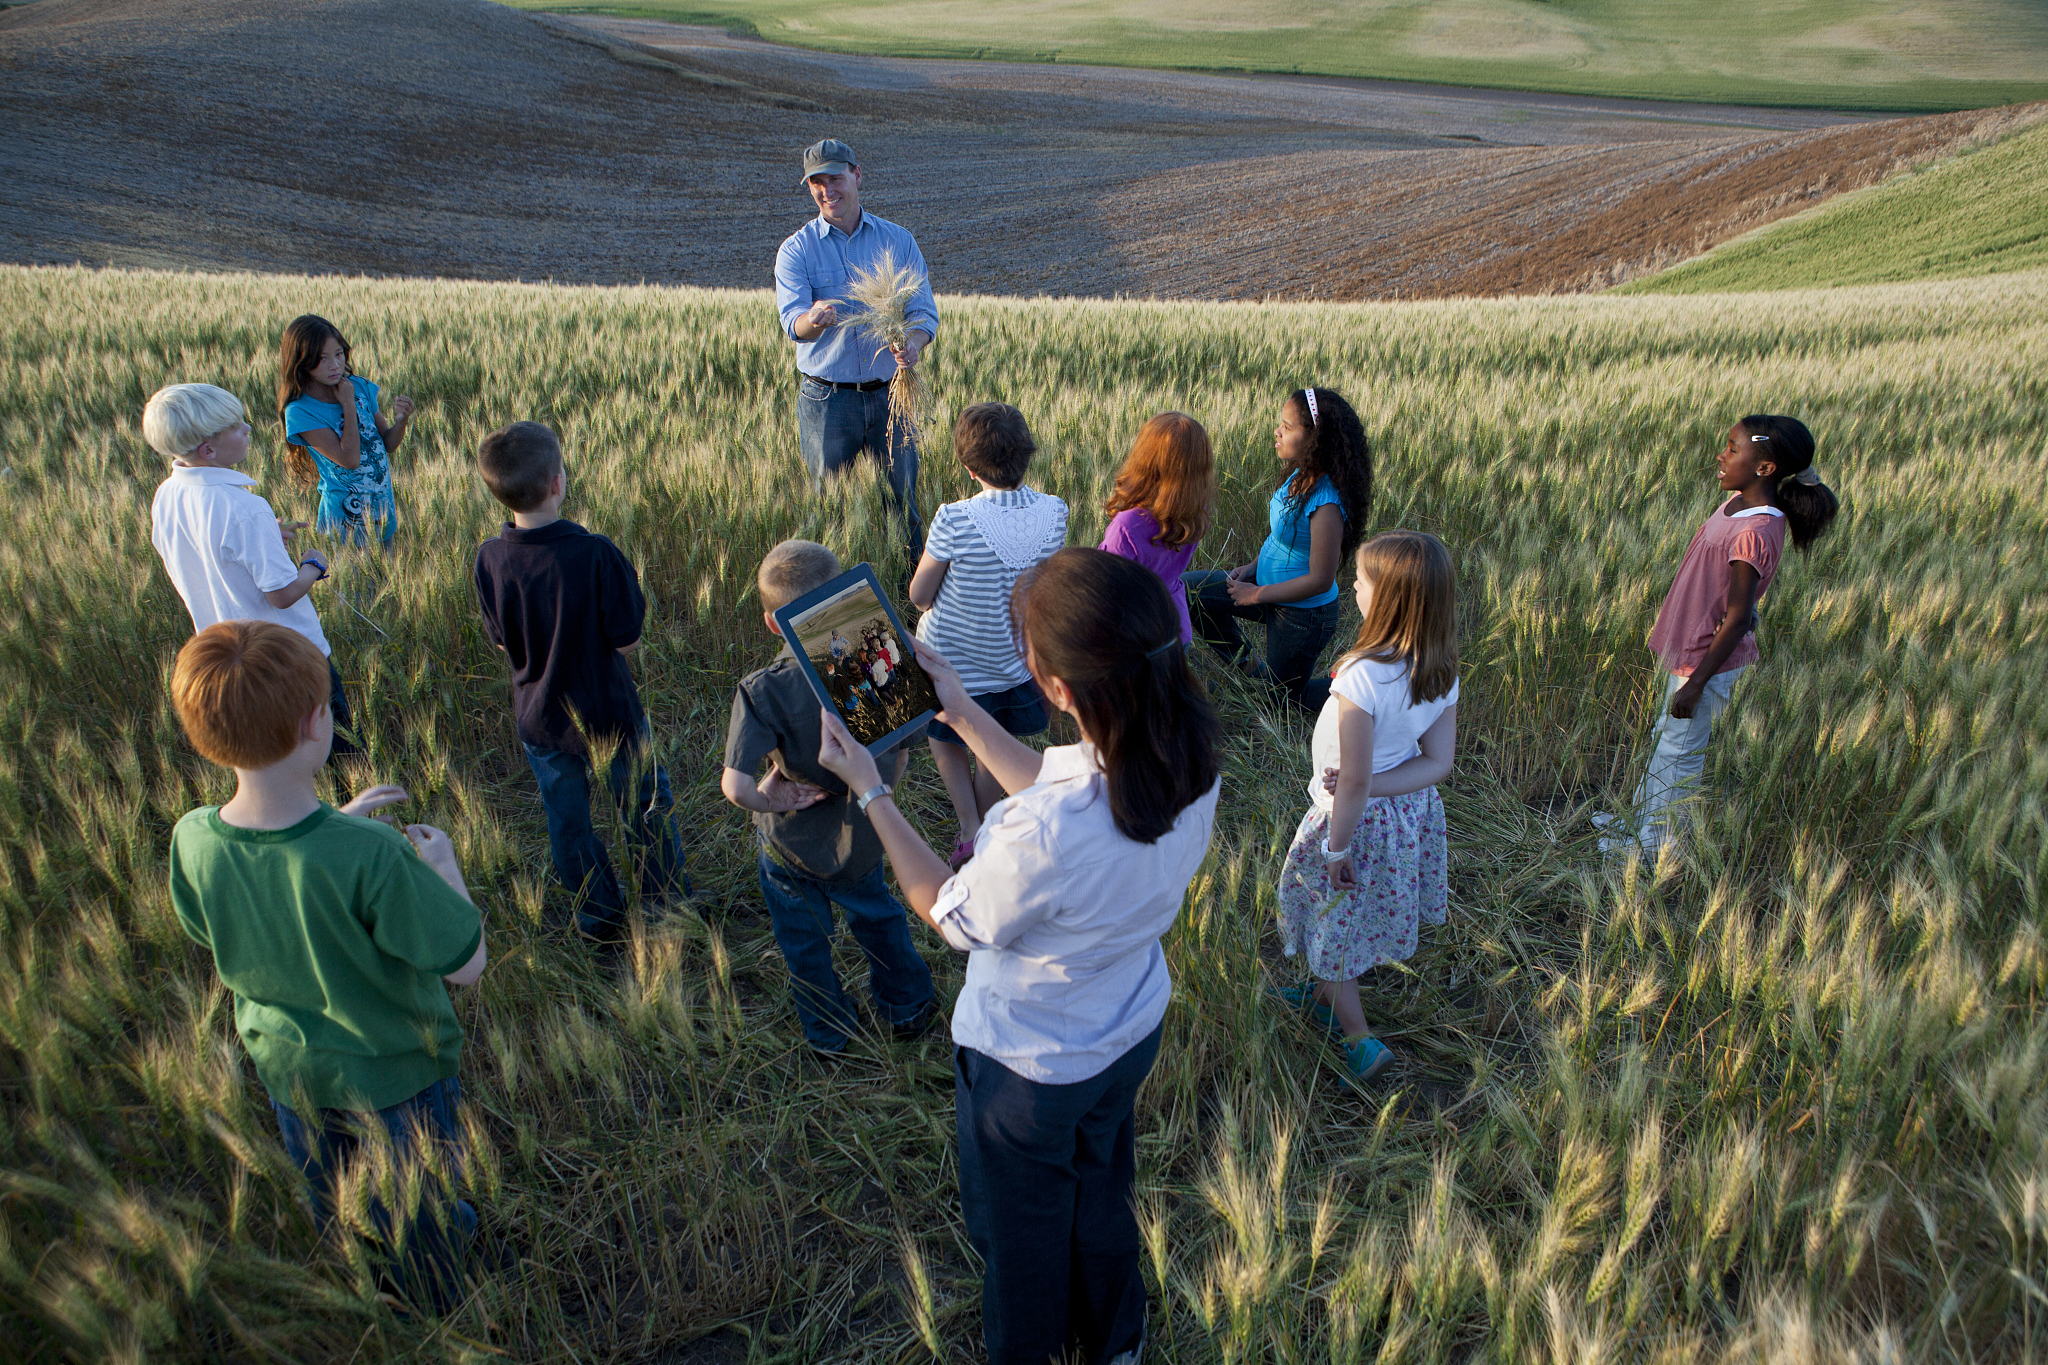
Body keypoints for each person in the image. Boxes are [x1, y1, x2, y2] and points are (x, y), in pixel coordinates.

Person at [815, 547, 1222, 1365]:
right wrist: (962, 712)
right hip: (1129, 1027)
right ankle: (1117, 1340)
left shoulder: (1044, 831)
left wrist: (872, 790)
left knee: (1021, 1233)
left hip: (1031, 1071)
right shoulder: (1185, 756)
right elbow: (1058, 787)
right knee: (1103, 1191)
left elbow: (950, 912)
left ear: (1058, 689)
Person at [166, 620, 487, 1313]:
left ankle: (370, 1297)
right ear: (317, 723)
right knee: (420, 1212)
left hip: (291, 1076)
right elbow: (467, 965)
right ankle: (438, 1309)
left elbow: (219, 920)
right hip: (395, 1075)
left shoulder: (192, 838)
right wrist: (443, 866)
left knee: (340, 1201)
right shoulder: (372, 854)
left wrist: (335, 822)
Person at [472, 421, 687, 942]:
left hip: (540, 719)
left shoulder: (489, 558)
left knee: (567, 821)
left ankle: (598, 919)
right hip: (609, 710)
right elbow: (627, 641)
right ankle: (665, 906)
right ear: (557, 482)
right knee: (644, 805)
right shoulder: (595, 553)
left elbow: (502, 643)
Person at [722, 540, 937, 1057]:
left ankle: (827, 1032)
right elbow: (903, 751)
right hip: (863, 835)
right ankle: (907, 1008)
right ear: (844, 592)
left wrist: (776, 799)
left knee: (803, 943)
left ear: (773, 623)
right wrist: (879, 793)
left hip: (790, 848)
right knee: (880, 920)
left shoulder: (762, 690)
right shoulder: (879, 661)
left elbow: (736, 787)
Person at [1600, 415, 1839, 855]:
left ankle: (1655, 849)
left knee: (1680, 755)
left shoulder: (1755, 530)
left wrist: (1696, 684)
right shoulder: (1736, 505)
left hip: (1704, 662)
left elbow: (1738, 617)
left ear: (1764, 467)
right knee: (1666, 741)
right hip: (1689, 649)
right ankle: (1637, 824)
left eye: (1732, 448)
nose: (1721, 455)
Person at [1272, 532, 1459, 1085]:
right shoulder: (1440, 665)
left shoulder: (1362, 677)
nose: (1352, 585)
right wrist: (1379, 785)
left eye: (1361, 580)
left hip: (1350, 822)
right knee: (1347, 919)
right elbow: (1438, 761)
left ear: (1387, 599)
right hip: (1403, 814)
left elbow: (1352, 780)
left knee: (1333, 928)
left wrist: (1337, 848)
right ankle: (1322, 996)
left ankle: (1357, 1037)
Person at [145, 381, 360, 760]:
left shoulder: (166, 495)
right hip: (292, 656)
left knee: (278, 758)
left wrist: (265, 536)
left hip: (234, 662)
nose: (247, 428)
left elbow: (206, 549)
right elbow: (282, 595)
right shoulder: (246, 509)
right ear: (209, 450)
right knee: (339, 751)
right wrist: (312, 566)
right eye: (235, 426)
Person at [910, 403, 1068, 867]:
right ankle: (983, 827)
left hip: (950, 665)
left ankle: (968, 826)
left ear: (968, 466)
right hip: (1014, 662)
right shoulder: (1054, 512)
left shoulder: (953, 519)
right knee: (992, 744)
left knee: (945, 736)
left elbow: (920, 596)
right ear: (1027, 455)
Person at [774, 138, 938, 559]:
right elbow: (794, 325)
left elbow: (924, 314)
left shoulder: (897, 241)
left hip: (892, 395)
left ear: (857, 175)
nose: (827, 190)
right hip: (828, 401)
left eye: (835, 178)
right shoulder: (797, 249)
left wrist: (914, 345)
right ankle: (832, 596)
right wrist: (814, 319)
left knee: (902, 508)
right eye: (817, 183)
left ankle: (905, 594)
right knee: (827, 512)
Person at [1186, 386, 1373, 711]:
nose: (1277, 431)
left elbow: (1321, 580)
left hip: (1303, 615)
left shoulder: (1326, 503)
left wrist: (1255, 595)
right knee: (1192, 592)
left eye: (1287, 427)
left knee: (1285, 703)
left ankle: (1355, 688)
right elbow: (1281, 537)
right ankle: (1252, 671)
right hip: (1266, 589)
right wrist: (1253, 567)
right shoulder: (1300, 474)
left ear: (1315, 438)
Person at [277, 315, 414, 549]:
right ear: (301, 361)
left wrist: (401, 422)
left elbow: (388, 444)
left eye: (338, 354)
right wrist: (348, 404)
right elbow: (349, 460)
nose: (334, 365)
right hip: (345, 525)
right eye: (322, 358)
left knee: (387, 572)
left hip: (383, 514)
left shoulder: (359, 386)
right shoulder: (301, 411)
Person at [1098, 411, 1216, 647]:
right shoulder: (1195, 512)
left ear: (1143, 460)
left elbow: (1106, 588)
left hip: (1136, 633)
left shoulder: (1127, 525)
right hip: (1176, 626)